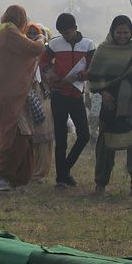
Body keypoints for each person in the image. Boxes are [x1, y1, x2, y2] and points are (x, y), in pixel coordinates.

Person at [88, 15, 132, 195]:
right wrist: (103, 93)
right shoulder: (103, 50)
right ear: (112, 31)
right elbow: (94, 77)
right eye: (119, 32)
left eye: (126, 32)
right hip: (110, 106)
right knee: (105, 147)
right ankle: (101, 183)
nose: (122, 36)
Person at [0, 5, 46, 191]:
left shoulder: (5, 32)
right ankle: (1, 176)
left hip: (13, 94)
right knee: (16, 136)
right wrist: (41, 39)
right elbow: (32, 48)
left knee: (24, 136)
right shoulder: (10, 33)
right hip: (9, 94)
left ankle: (18, 179)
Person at [42, 13, 96, 188]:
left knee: (84, 135)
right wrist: (49, 73)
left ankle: (64, 170)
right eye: (62, 33)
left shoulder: (88, 45)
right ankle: (61, 178)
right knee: (61, 138)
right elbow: (42, 62)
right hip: (59, 94)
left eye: (68, 32)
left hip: (76, 94)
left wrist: (79, 76)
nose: (66, 36)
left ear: (75, 28)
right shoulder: (55, 43)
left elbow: (93, 69)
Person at [26, 23, 54, 182]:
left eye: (34, 33)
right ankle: (28, 169)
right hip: (25, 96)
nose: (30, 36)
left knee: (44, 133)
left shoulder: (47, 52)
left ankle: (40, 171)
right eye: (28, 33)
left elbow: (51, 72)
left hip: (43, 95)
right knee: (28, 135)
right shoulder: (21, 51)